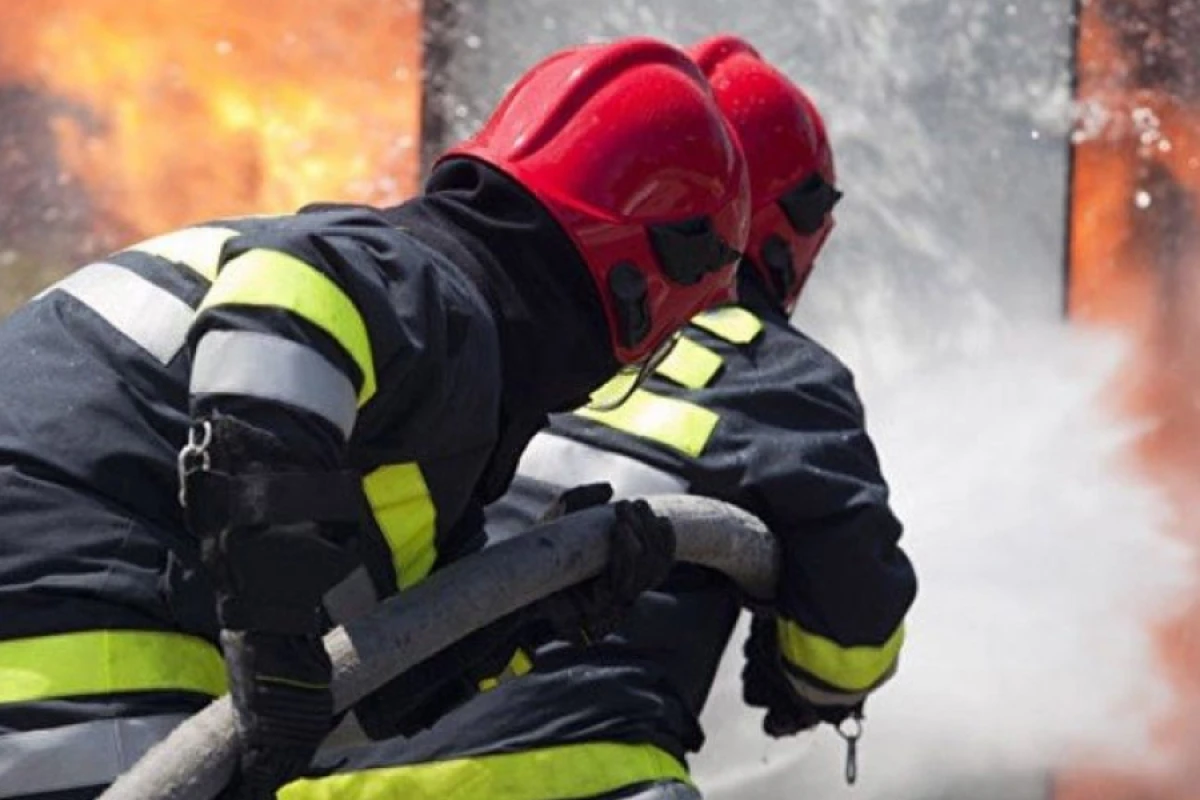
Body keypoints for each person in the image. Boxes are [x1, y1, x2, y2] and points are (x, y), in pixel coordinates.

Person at [0, 37, 752, 800]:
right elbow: (281, 307)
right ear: (645, 285)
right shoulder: (425, 289)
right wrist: (273, 632)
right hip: (70, 619)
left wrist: (533, 614)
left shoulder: (414, 399)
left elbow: (347, 696)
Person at [278, 34, 917, 800]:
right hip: (574, 778)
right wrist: (800, 672)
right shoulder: (776, 374)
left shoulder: (470, 327)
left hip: (322, 776)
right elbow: (847, 648)